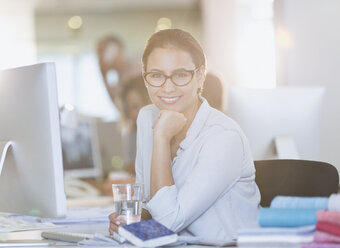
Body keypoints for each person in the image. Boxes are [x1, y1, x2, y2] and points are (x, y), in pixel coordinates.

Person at [109, 29, 260, 240]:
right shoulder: (147, 117)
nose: (167, 88)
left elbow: (167, 221)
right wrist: (130, 219)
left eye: (180, 75)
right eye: (156, 75)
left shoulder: (223, 137)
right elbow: (150, 203)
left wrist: (161, 138)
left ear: (200, 76)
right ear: (145, 78)